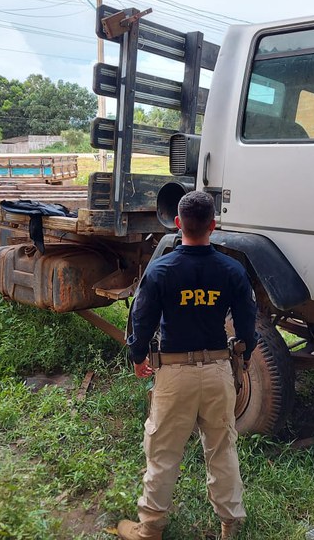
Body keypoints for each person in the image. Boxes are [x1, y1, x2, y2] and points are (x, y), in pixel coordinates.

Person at [117, 190, 257, 540]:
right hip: (218, 373)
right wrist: (245, 354)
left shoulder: (161, 269)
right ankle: (229, 525)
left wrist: (138, 357)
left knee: (163, 453)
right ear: (213, 225)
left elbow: (142, 319)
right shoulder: (232, 270)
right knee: (222, 449)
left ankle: (149, 529)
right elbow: (247, 323)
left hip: (174, 374)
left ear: (178, 224)